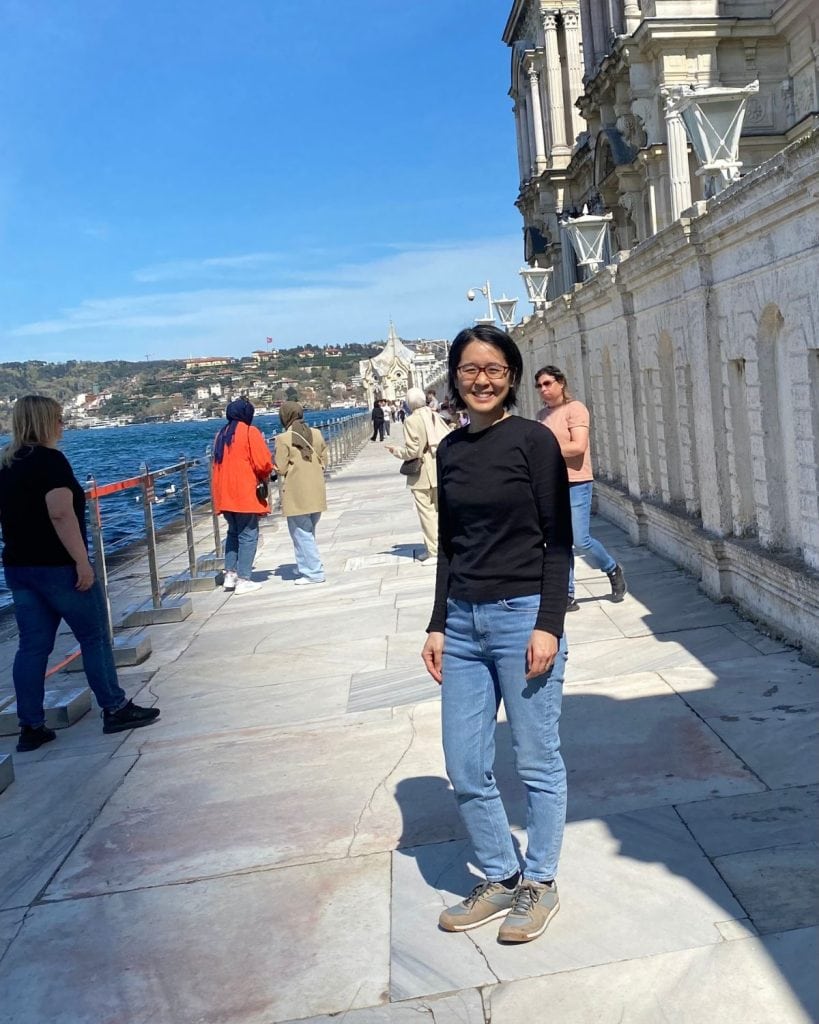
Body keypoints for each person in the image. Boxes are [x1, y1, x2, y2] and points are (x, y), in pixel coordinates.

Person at [421, 325, 572, 944]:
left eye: (494, 368)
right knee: (464, 763)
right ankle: (502, 877)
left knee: (536, 759)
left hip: (522, 617)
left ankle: (540, 883)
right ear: (455, 376)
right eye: (469, 369)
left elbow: (557, 539)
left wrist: (549, 625)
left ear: (510, 375)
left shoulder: (533, 442)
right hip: (462, 620)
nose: (481, 379)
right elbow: (449, 548)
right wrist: (436, 622)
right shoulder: (450, 450)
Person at [0, 395, 160, 753]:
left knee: (32, 647)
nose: (63, 425)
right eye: (59, 418)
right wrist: (81, 562)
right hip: (58, 567)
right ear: (44, 422)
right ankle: (115, 708)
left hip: (19, 568)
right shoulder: (50, 461)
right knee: (94, 636)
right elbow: (60, 513)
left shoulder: (6, 463)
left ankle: (31, 726)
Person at [535, 366, 626, 611]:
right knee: (557, 541)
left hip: (577, 481)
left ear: (561, 383)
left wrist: (546, 452)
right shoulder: (541, 415)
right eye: (539, 386)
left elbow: (578, 446)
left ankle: (612, 568)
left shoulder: (575, 409)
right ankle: (567, 594)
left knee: (580, 539)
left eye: (547, 383)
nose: (543, 389)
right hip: (551, 484)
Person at [211, 397, 273, 596]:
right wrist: (266, 474)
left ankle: (230, 574)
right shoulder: (249, 432)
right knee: (248, 535)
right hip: (244, 492)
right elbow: (263, 462)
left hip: (224, 493)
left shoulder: (221, 434)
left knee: (233, 533)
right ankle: (244, 579)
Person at [386, 387, 451, 564]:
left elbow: (413, 451)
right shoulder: (434, 415)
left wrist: (396, 451)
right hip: (440, 467)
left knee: (427, 513)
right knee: (442, 511)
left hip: (423, 473)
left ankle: (434, 551)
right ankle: (446, 548)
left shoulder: (411, 420)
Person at [275, 402, 329, 586]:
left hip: (297, 491)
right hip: (316, 488)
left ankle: (313, 572)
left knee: (300, 532)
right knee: (308, 530)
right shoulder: (316, 433)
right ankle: (304, 565)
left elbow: (281, 468)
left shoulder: (283, 438)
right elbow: (324, 458)